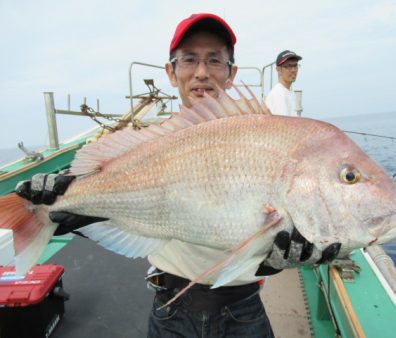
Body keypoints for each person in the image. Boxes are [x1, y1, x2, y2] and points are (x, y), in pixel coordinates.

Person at [15, 14, 340, 338]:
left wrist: (278, 259)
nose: (201, 71)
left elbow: (257, 232)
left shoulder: (263, 135)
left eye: (214, 59)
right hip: (170, 310)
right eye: (189, 59)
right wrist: (67, 212)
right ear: (171, 72)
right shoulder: (145, 143)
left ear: (231, 73)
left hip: (244, 310)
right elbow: (112, 212)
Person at [264, 50, 302, 116]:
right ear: (278, 69)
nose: (293, 70)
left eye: (295, 65)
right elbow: (282, 125)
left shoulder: (289, 92)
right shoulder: (278, 94)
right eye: (288, 66)